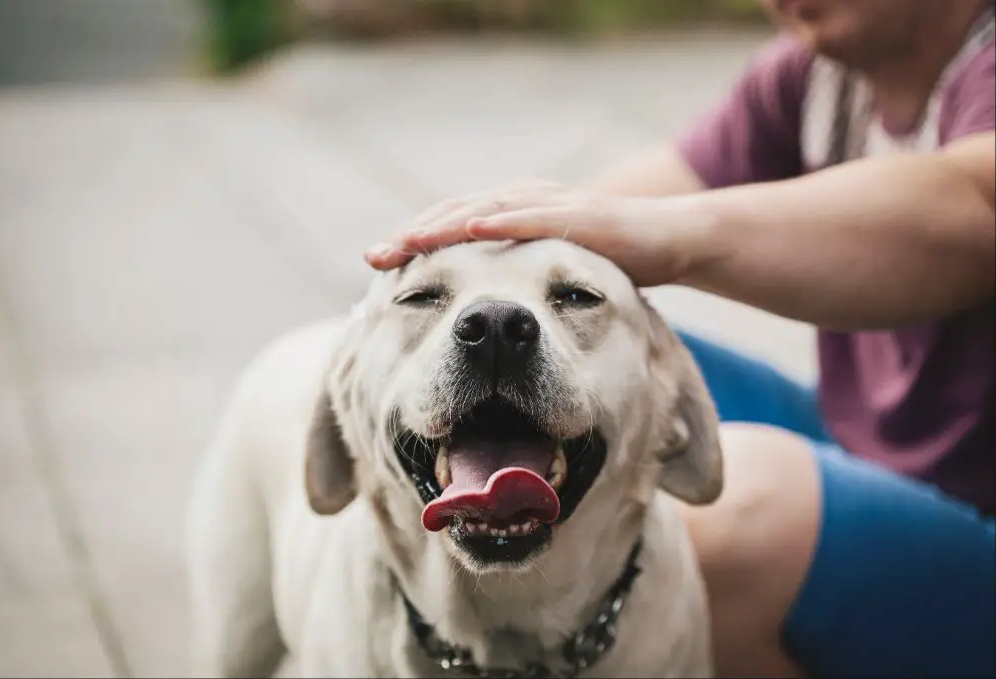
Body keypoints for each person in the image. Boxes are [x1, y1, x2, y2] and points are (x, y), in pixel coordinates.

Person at [363, 0, 996, 676]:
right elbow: (586, 224)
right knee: (605, 351)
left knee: (740, 510)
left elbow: (974, 201)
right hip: (872, 447)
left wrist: (673, 235)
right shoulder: (810, 77)